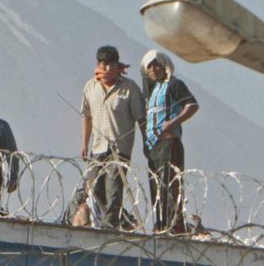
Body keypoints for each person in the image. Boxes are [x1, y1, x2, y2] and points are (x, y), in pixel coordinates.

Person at [80, 45, 145, 230]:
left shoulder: (129, 88)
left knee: (114, 190)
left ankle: (111, 226)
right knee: (95, 189)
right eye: (104, 64)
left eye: (112, 64)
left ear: (118, 66)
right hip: (97, 147)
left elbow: (141, 118)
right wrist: (84, 143)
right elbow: (86, 116)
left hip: (120, 148)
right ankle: (100, 223)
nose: (108, 69)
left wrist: (146, 142)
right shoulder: (90, 87)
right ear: (98, 65)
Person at [141, 50, 199, 234]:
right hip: (153, 147)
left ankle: (174, 226)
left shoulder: (174, 84)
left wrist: (173, 122)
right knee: (156, 187)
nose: (153, 69)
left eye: (156, 64)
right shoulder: (151, 91)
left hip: (169, 142)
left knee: (170, 186)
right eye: (149, 66)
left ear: (164, 65)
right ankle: (160, 225)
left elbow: (192, 105)